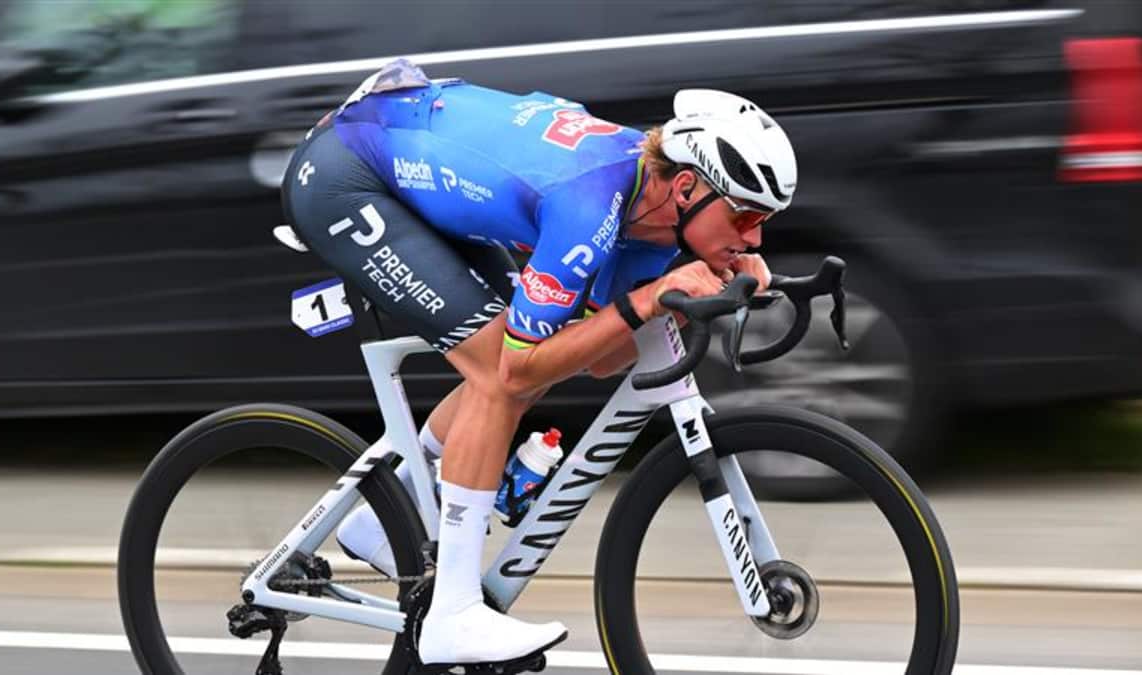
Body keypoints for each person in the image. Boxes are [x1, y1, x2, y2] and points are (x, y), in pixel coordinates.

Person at [280, 58, 797, 669]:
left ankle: (380, 520)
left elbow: (601, 358)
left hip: (420, 173)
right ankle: (451, 616)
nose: (755, 239)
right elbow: (520, 369)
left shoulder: (653, 221)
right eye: (744, 216)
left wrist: (686, 300)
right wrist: (647, 300)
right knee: (504, 372)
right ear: (685, 188)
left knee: (538, 355)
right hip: (345, 174)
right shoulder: (587, 204)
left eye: (764, 222)